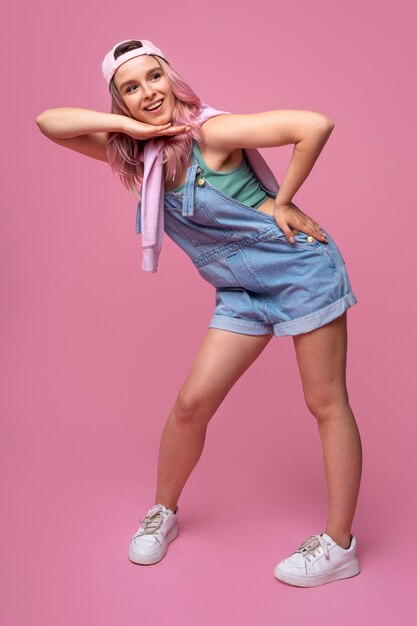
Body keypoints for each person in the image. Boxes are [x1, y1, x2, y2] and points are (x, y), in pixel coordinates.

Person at [35, 38, 363, 588]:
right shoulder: (136, 151)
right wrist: (135, 131)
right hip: (239, 291)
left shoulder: (211, 132)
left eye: (154, 77)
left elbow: (315, 124)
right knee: (191, 406)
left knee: (325, 402)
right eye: (131, 88)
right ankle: (163, 513)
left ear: (171, 76)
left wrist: (282, 200)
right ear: (120, 102)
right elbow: (49, 121)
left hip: (299, 271)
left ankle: (339, 545)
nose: (148, 93)